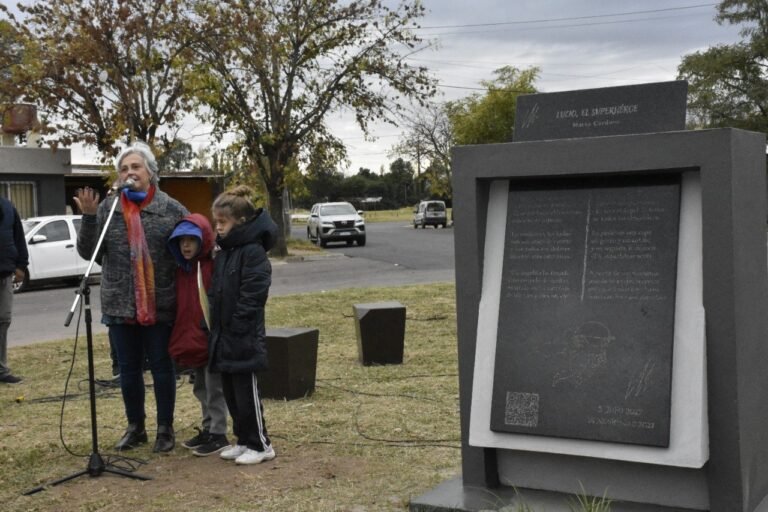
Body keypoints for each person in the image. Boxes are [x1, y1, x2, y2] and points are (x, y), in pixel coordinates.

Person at [75, 141, 188, 453]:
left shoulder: (171, 209)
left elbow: (192, 248)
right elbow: (90, 253)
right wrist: (87, 217)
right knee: (128, 368)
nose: (129, 173)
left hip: (160, 303)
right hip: (120, 303)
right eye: (124, 168)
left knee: (162, 367)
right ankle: (135, 426)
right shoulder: (108, 209)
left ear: (150, 173)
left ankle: (165, 428)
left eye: (135, 167)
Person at [208, 186, 278, 465]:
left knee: (247, 393)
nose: (218, 227)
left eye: (222, 222)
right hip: (224, 336)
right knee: (232, 394)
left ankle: (261, 444)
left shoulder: (253, 252)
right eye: (217, 222)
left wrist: (237, 324)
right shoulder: (225, 252)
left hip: (244, 336)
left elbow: (254, 293)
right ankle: (244, 440)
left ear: (240, 222)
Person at [167, 213, 230, 456]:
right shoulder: (183, 270)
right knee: (201, 388)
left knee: (215, 388)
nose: (185, 245)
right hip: (193, 339)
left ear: (202, 240)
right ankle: (208, 428)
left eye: (191, 240)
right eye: (181, 240)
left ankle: (219, 433)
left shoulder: (211, 266)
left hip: (210, 338)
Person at [0, 196, 29, 384]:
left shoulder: (7, 206)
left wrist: (21, 266)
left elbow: (19, 237)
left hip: (4, 274)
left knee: (3, 321)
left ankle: (1, 370)